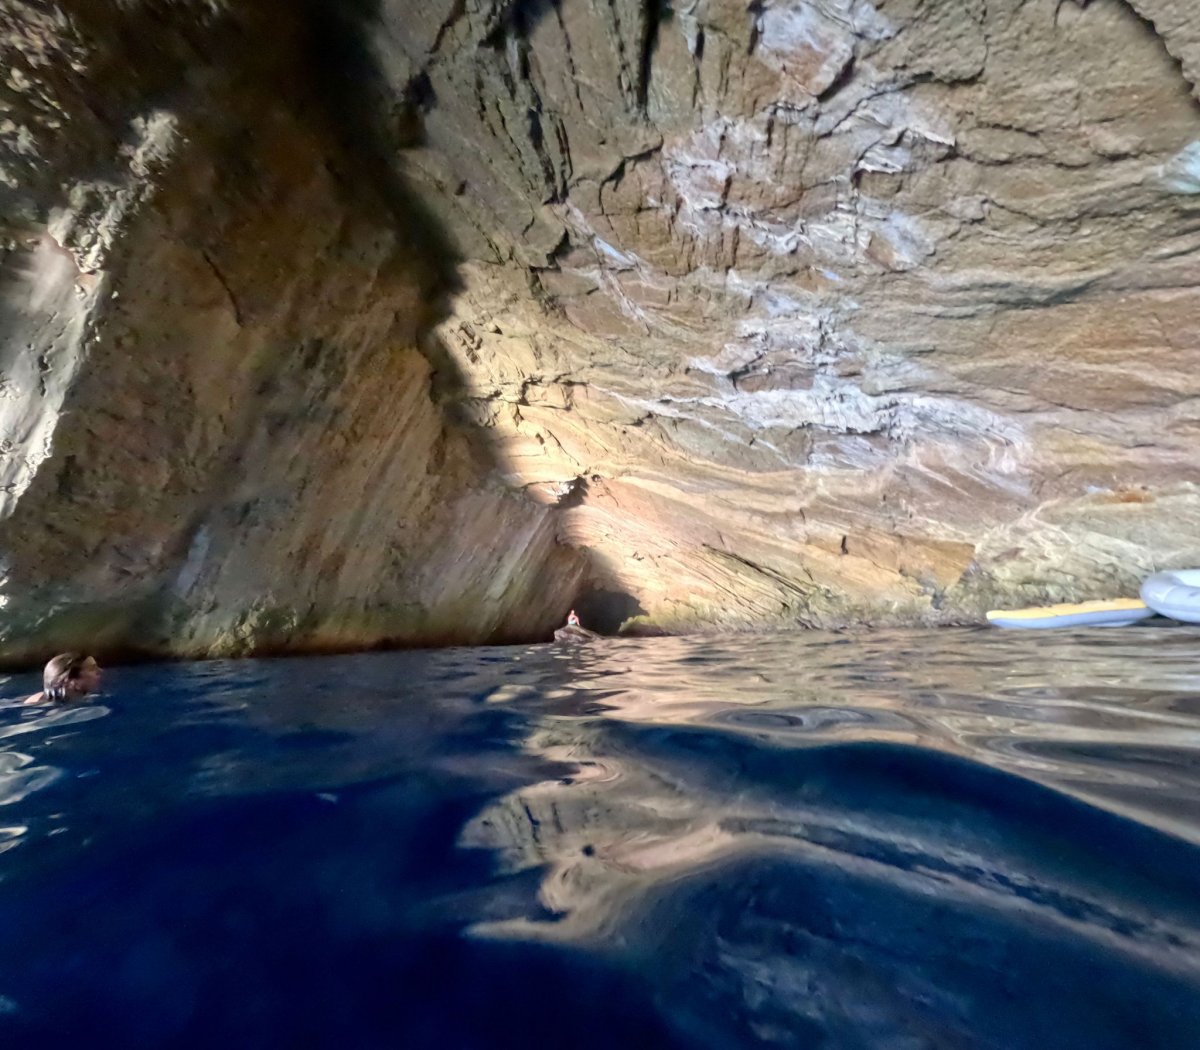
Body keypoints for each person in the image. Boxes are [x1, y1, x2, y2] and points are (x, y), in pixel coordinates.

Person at [22, 653, 102, 705]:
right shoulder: (37, 705)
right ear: (72, 681)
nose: (100, 671)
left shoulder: (85, 699)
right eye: (92, 669)